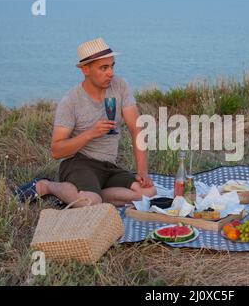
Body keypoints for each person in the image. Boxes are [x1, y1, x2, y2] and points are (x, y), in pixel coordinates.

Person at [16, 38, 157, 207]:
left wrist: (142, 172)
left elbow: (137, 128)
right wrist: (90, 134)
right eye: (103, 68)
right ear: (85, 69)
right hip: (80, 164)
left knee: (149, 193)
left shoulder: (120, 86)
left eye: (112, 66)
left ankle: (90, 195)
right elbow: (56, 150)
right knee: (90, 203)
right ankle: (47, 186)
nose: (110, 73)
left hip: (109, 166)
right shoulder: (71, 101)